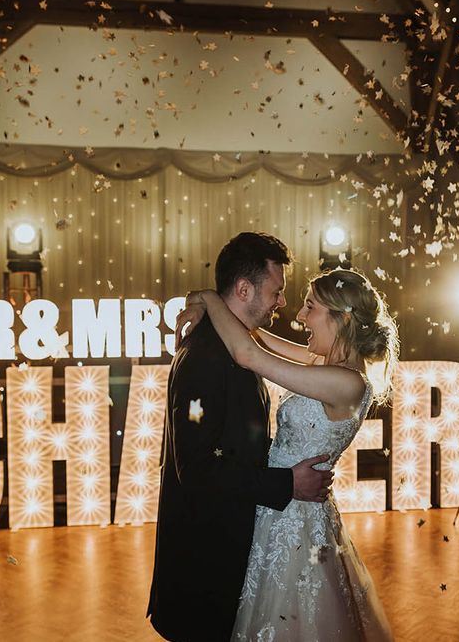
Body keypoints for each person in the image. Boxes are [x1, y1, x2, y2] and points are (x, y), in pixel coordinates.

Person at [176, 266, 398, 640]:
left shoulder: (345, 382)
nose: (298, 316)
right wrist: (209, 307)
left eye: (309, 307)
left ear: (342, 318)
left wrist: (211, 298)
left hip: (294, 519)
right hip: (281, 502)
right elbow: (255, 337)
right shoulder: (329, 367)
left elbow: (248, 354)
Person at [146, 232, 333, 641]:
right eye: (277, 291)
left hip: (230, 557)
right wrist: (288, 483)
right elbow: (195, 467)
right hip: (204, 570)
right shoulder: (204, 359)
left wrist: (206, 300)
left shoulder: (235, 344)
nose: (282, 303)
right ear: (245, 289)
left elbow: (236, 440)